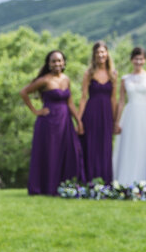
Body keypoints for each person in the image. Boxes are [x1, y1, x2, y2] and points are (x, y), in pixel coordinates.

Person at [19, 50, 85, 195]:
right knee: (51, 153)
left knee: (72, 151)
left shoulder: (66, 79)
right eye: (54, 61)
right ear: (49, 64)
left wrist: (78, 121)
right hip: (49, 123)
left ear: (64, 63)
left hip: (65, 121)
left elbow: (70, 102)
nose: (57, 64)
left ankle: (67, 185)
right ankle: (46, 187)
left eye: (59, 61)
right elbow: (24, 92)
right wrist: (36, 111)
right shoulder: (45, 80)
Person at [112, 47, 146, 185]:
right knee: (128, 145)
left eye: (141, 59)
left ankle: (142, 180)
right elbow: (121, 101)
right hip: (130, 114)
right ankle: (125, 180)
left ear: (145, 60)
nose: (138, 61)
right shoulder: (125, 79)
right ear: (132, 60)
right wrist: (117, 122)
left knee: (144, 146)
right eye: (136, 58)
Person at [78, 41, 117, 183]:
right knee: (91, 145)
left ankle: (105, 181)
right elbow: (83, 97)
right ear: (94, 56)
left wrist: (115, 120)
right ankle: (90, 179)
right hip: (92, 112)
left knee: (105, 146)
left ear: (107, 54)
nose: (101, 55)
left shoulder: (113, 74)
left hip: (106, 114)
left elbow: (114, 98)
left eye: (103, 52)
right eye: (98, 53)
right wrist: (79, 120)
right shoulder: (89, 73)